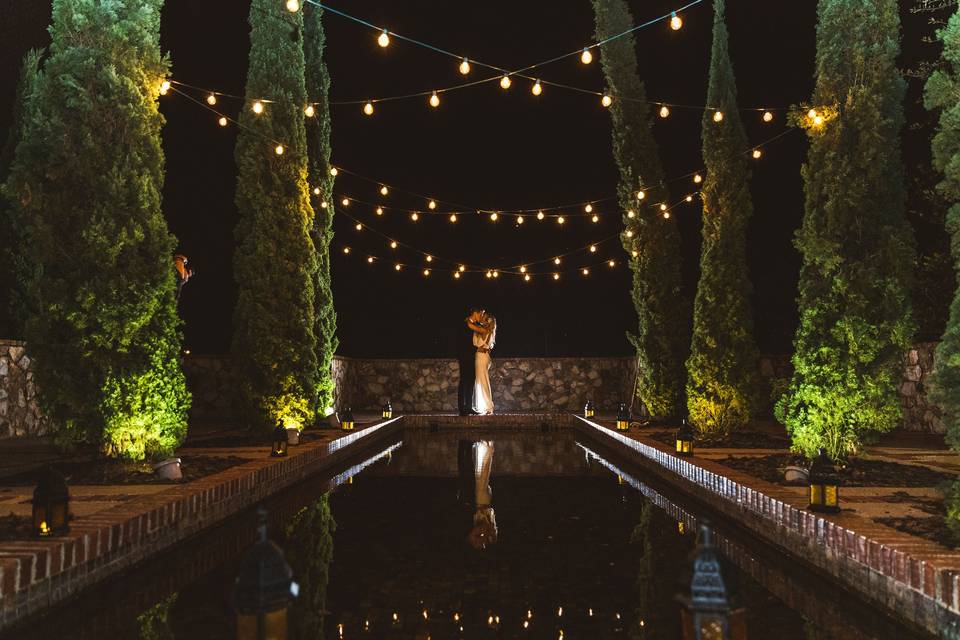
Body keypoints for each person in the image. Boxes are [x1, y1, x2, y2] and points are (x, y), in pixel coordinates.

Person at [467, 310, 496, 415]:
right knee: (481, 382)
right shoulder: (486, 329)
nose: (482, 318)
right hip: (483, 356)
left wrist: (470, 319)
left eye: (484, 317)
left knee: (482, 382)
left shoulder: (484, 330)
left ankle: (489, 407)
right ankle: (485, 406)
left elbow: (470, 325)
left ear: (488, 321)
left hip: (482, 356)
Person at [458, 308, 480, 416]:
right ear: (475, 313)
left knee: (471, 380)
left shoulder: (472, 323)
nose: (481, 315)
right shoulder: (467, 323)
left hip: (470, 356)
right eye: (480, 313)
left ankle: (469, 407)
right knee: (464, 381)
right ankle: (462, 408)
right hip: (464, 355)